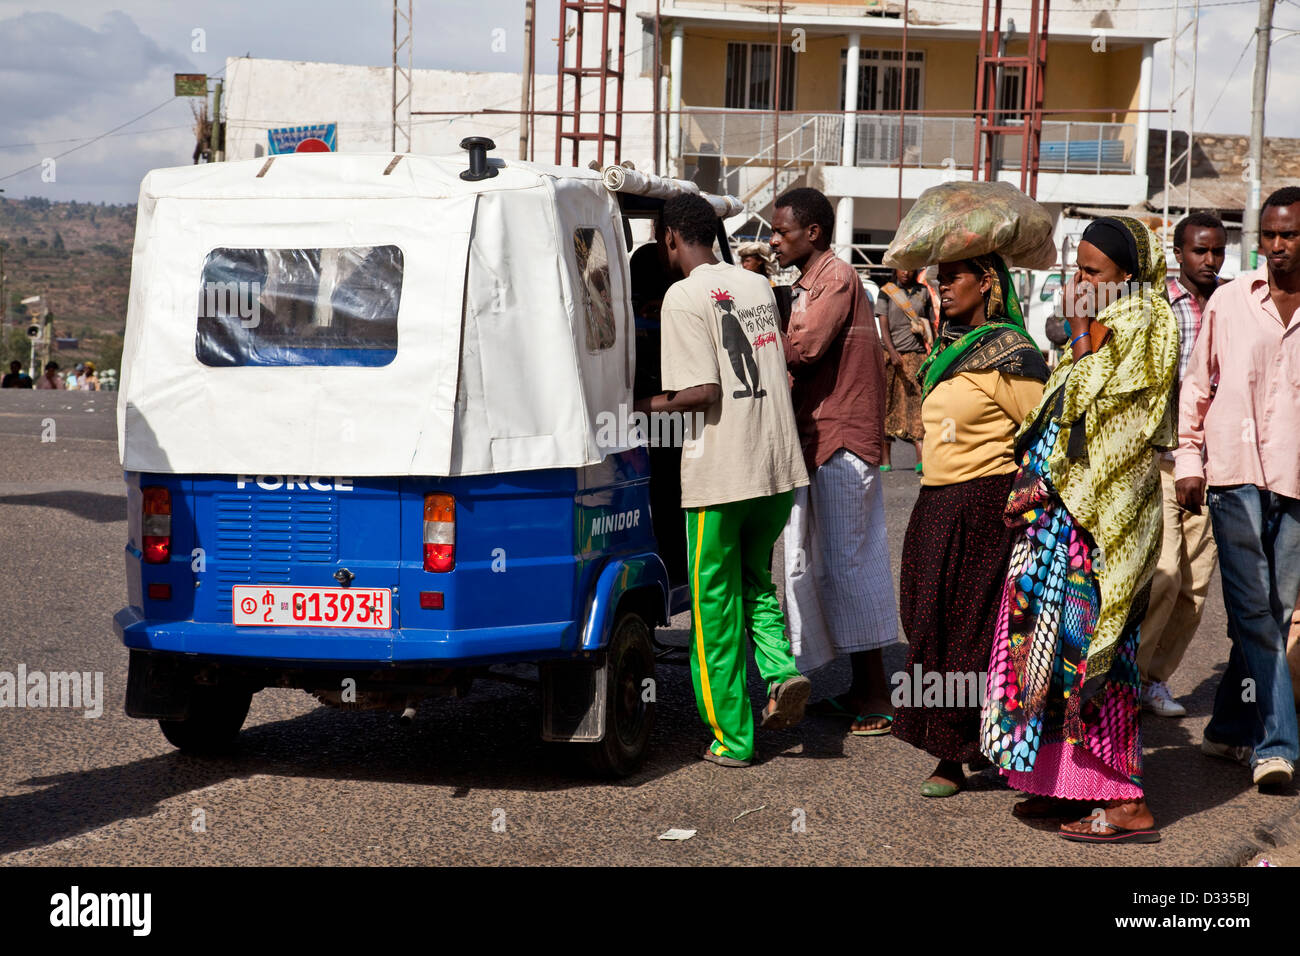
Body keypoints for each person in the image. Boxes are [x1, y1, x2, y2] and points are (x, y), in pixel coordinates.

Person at [980, 216, 1178, 843]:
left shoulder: (1146, 322)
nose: (1081, 280)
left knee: (1095, 654)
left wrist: (1083, 342)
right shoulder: (1105, 322)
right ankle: (1062, 779)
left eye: (1093, 272)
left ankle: (1122, 798)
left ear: (1129, 273)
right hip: (1059, 525)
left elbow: (1104, 411)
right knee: (1043, 652)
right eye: (1078, 269)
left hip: (1099, 529)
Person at [635, 193, 811, 767]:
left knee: (712, 611)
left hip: (722, 475)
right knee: (754, 581)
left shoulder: (681, 297)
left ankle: (733, 738)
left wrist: (641, 403)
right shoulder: (757, 285)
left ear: (668, 240)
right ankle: (782, 672)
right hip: (776, 469)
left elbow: (703, 393)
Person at [892, 253, 1048, 797]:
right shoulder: (949, 346)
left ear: (986, 283)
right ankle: (971, 740)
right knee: (923, 616)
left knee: (967, 630)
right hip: (936, 500)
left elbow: (1042, 424)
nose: (941, 287)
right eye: (938, 279)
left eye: (953, 278)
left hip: (985, 504)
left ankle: (952, 753)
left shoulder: (1010, 353)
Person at [1177, 187, 1300, 788]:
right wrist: (1188, 463)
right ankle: (1276, 744)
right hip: (1233, 475)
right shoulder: (1230, 302)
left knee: (1273, 617)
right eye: (1270, 235)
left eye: (1290, 235)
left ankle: (1227, 727)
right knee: (1254, 611)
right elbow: (1197, 386)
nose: (1277, 247)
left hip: (1296, 482)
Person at [769, 187, 898, 736]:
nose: (774, 242)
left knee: (849, 560)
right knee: (817, 561)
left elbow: (802, 349)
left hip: (841, 439)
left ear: (813, 233)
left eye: (782, 232)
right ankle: (857, 687)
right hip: (822, 437)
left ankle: (876, 695)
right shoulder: (815, 280)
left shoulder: (835, 278)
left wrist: (761, 321)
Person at [1137, 213, 1226, 717]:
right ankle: (1125, 679)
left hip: (1217, 465)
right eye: (1199, 251)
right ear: (1178, 253)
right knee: (1165, 572)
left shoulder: (1234, 305)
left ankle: (1153, 681)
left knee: (1195, 584)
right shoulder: (1156, 309)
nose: (1209, 261)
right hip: (1163, 460)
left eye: (1217, 251)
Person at [874, 268, 933, 473]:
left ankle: (920, 460)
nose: (905, 272)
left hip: (916, 357)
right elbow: (883, 324)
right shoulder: (887, 291)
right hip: (891, 357)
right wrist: (892, 351)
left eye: (909, 268)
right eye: (901, 268)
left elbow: (931, 322)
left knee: (917, 406)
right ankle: (885, 460)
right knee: (887, 406)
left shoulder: (922, 292)